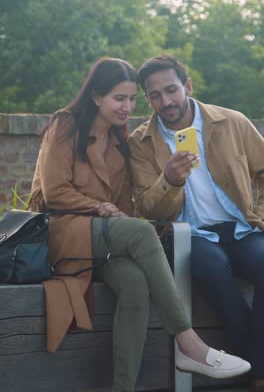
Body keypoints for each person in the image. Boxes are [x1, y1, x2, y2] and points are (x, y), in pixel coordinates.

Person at [30, 57, 250, 392]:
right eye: (120, 98)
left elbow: (124, 205)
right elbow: (54, 191)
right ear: (96, 97)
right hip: (63, 233)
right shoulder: (66, 125)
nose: (127, 106)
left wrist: (117, 213)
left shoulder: (122, 145)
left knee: (135, 285)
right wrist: (99, 206)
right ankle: (188, 342)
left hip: (104, 241)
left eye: (133, 99)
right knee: (142, 231)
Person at [128, 54, 264, 392]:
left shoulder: (232, 122)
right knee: (212, 272)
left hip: (241, 227)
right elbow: (147, 208)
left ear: (187, 86)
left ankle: (255, 368)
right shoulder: (140, 143)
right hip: (189, 235)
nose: (165, 101)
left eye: (171, 90)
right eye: (154, 95)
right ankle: (259, 373)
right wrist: (170, 180)